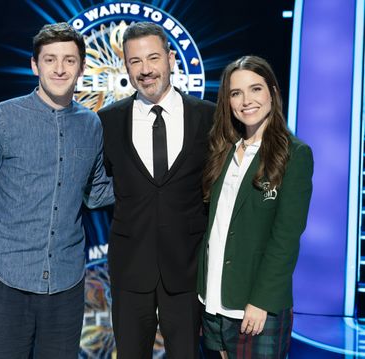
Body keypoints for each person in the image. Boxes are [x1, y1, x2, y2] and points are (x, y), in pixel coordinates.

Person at [0, 22, 113, 359]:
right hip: (5, 277)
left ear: (82, 67)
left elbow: (96, 192)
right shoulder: (3, 118)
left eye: (69, 60)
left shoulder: (91, 124)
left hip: (66, 283)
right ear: (34, 65)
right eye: (50, 59)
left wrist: (153, 183)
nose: (60, 68)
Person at [98, 22, 215, 358]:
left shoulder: (208, 117)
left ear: (172, 59)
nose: (146, 70)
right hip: (130, 269)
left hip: (188, 269)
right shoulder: (107, 121)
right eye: (135, 61)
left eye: (153, 58)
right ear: (126, 67)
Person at [197, 55, 313, 358]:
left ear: (273, 92)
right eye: (236, 93)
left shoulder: (295, 154)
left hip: (255, 308)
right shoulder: (222, 151)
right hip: (211, 302)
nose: (246, 100)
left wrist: (261, 301)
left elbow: (286, 239)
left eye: (255, 89)